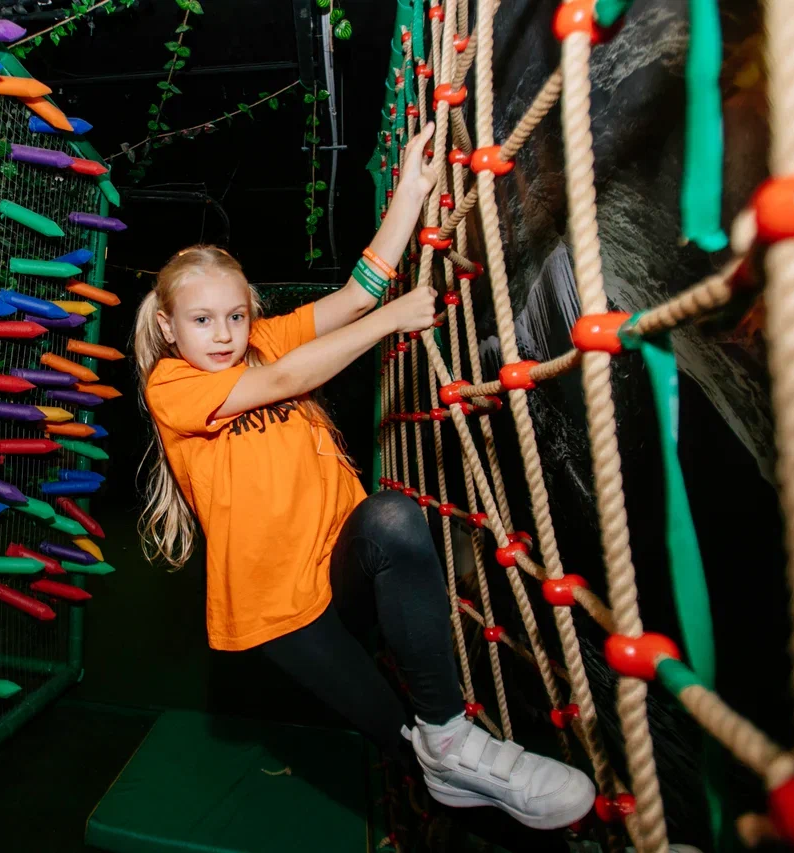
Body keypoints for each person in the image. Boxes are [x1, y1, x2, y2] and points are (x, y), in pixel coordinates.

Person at [132, 122, 594, 830]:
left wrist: (410, 192)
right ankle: (503, 813)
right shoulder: (172, 385)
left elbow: (357, 292)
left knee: (391, 516)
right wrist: (389, 323)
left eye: (234, 315)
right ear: (169, 327)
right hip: (282, 613)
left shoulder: (261, 340)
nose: (223, 333)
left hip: (339, 567)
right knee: (411, 758)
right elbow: (286, 378)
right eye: (201, 319)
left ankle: (451, 733)